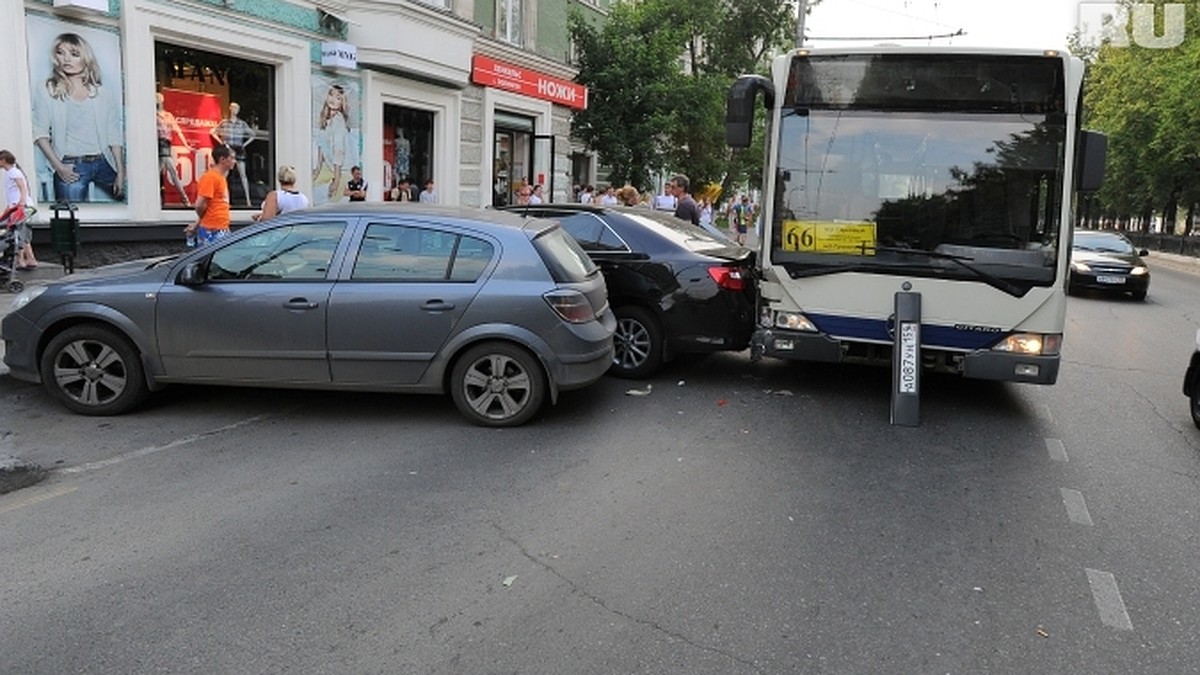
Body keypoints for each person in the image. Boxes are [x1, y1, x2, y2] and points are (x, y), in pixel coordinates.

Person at [32, 32, 125, 203]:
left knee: (128, 206)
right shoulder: (48, 89)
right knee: (70, 223)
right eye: (61, 53)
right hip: (71, 165)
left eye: (74, 54)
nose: (66, 59)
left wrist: (121, 171)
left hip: (104, 162)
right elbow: (40, 133)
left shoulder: (103, 94)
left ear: (86, 58)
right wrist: (59, 167)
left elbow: (114, 135)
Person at [185, 144, 235, 246]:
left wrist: (197, 223)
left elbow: (207, 206)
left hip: (220, 227)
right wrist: (201, 222)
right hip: (212, 230)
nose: (234, 161)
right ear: (222, 159)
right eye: (232, 158)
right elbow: (199, 205)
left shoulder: (220, 178)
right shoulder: (211, 177)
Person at [210, 102, 255, 207]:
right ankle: (224, 200)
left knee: (243, 175)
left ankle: (248, 201)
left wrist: (244, 144)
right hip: (228, 150)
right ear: (230, 109)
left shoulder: (242, 124)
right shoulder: (224, 123)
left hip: (238, 149)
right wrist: (222, 143)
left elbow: (253, 135)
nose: (234, 110)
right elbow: (213, 132)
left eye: (236, 109)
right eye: (233, 108)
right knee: (224, 176)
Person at [0, 150, 37, 270]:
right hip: (18, 206)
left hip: (22, 207)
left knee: (18, 232)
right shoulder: (11, 172)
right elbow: (13, 195)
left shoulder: (14, 172)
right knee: (20, 231)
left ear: (3, 160)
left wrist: (21, 204)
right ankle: (30, 259)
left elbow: (22, 188)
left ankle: (21, 260)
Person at [314, 84, 350, 200]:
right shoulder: (325, 117)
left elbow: (338, 151)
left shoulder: (339, 121)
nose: (333, 99)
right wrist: (317, 169)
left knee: (333, 199)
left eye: (338, 98)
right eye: (331, 94)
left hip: (341, 169)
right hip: (329, 165)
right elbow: (321, 145)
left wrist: (337, 179)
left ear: (342, 103)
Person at [156, 93, 192, 207]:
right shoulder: (152, 115)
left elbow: (177, 130)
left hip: (166, 144)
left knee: (160, 172)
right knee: (172, 171)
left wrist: (186, 144)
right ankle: (185, 199)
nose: (156, 100)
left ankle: (156, 198)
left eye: (157, 98)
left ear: (162, 100)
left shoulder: (168, 116)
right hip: (159, 144)